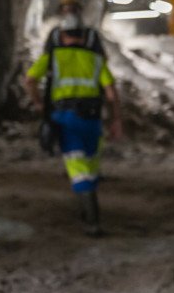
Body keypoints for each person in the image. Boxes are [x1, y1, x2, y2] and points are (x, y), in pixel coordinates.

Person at [25, 13, 124, 236]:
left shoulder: (52, 57)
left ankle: (92, 221)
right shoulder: (96, 59)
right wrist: (116, 120)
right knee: (91, 165)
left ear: (61, 35)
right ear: (84, 35)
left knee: (78, 169)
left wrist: (39, 103)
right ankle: (87, 210)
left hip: (66, 120)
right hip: (93, 121)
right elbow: (111, 93)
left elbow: (29, 80)